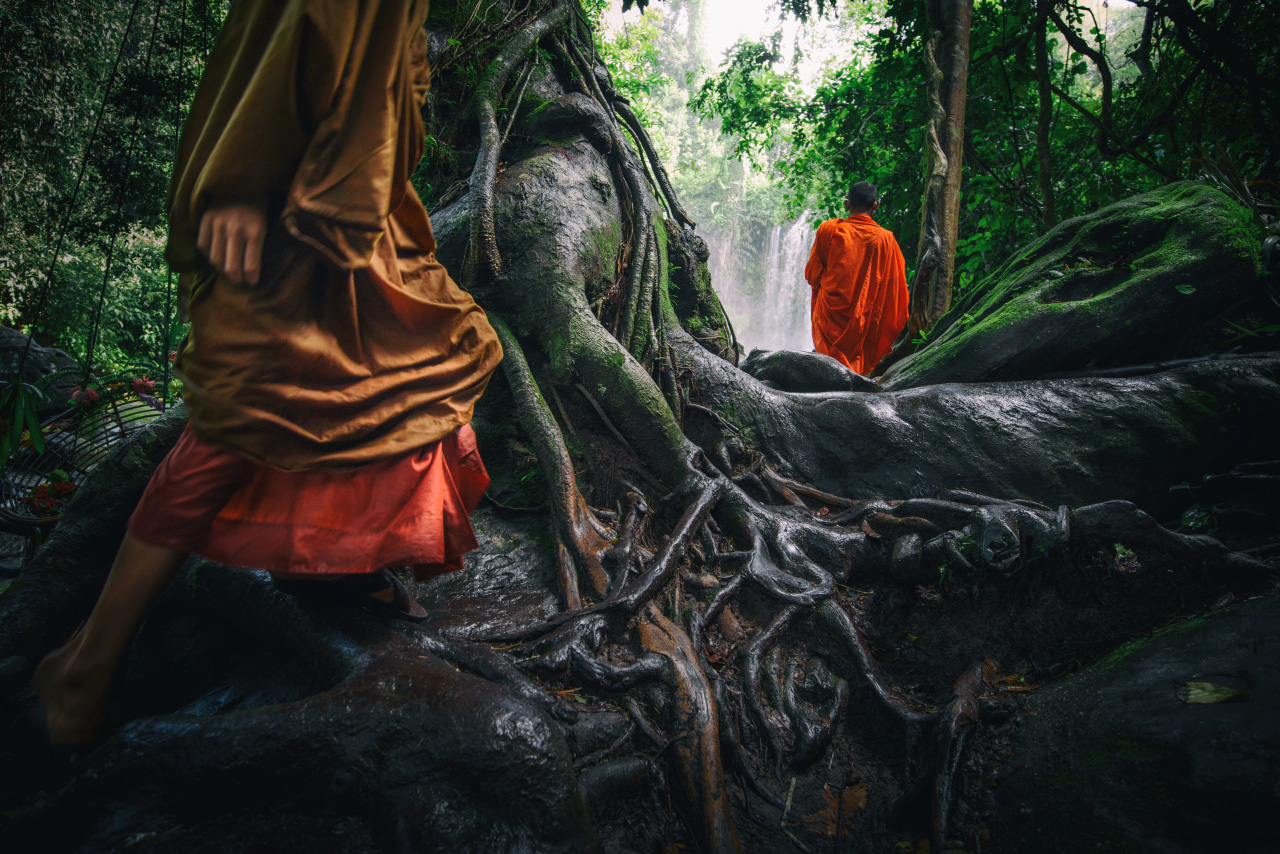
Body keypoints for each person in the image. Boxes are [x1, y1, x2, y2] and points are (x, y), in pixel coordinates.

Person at [30, 0, 502, 746]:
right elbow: (287, 30)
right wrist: (243, 185)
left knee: (407, 381)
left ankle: (331, 567)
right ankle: (85, 662)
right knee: (237, 422)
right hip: (291, 214)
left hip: (362, 213)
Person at [804, 181, 909, 374]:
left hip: (829, 316)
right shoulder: (886, 240)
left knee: (829, 370)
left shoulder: (828, 230)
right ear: (875, 205)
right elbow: (895, 290)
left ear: (846, 204)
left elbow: (812, 275)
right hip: (863, 321)